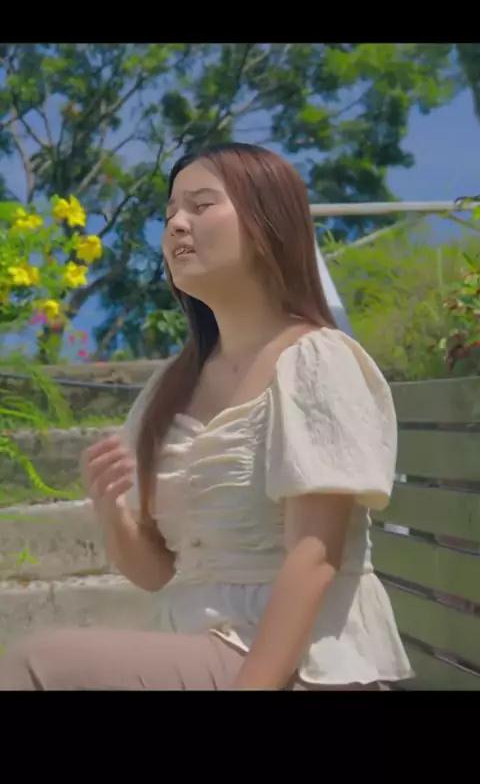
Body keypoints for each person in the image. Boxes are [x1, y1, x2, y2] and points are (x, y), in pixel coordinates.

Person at [0, 142, 413, 690]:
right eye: (170, 212)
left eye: (201, 206)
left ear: (268, 223)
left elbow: (314, 559)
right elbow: (156, 572)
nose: (176, 225)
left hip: (299, 662)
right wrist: (112, 511)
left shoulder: (316, 361)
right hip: (199, 645)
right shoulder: (172, 385)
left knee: (35, 665)